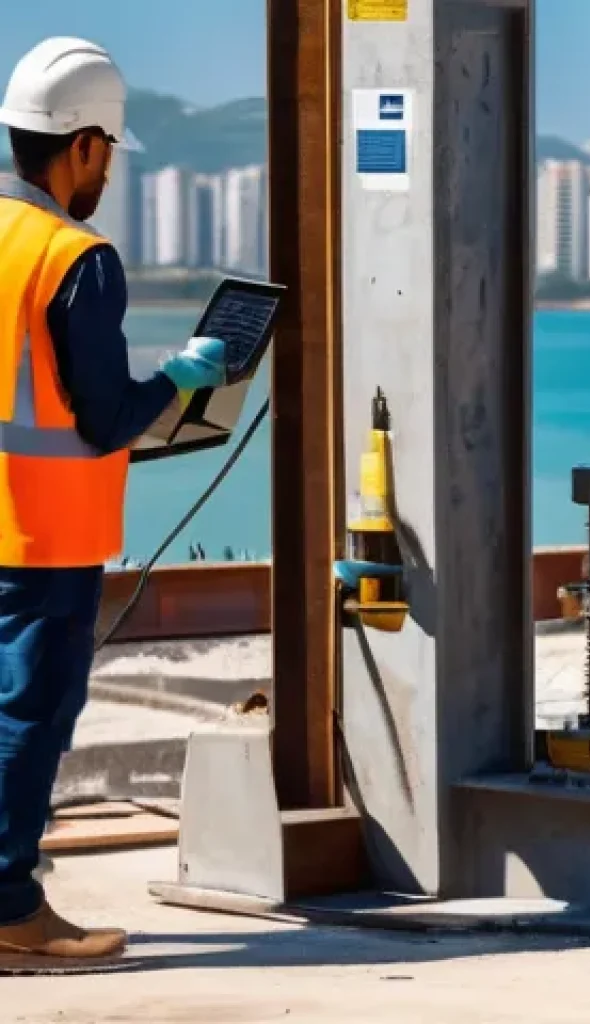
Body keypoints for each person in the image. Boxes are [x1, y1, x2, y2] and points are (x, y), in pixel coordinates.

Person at [0, 37, 228, 968]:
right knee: (29, 717)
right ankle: (12, 909)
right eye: (107, 154)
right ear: (84, 145)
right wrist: (179, 379)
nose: (104, 176)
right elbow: (103, 421)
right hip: (47, 533)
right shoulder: (76, 256)